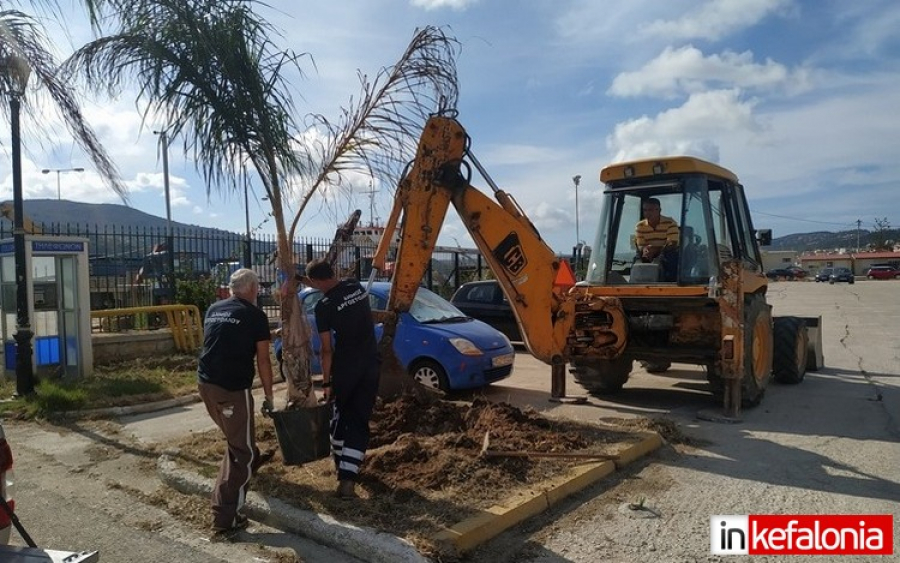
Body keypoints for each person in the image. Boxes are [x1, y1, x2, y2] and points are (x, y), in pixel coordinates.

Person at [197, 268, 275, 539]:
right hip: (232, 389)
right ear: (252, 289)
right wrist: (270, 395)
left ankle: (233, 500)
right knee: (242, 452)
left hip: (205, 385)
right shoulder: (255, 315)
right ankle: (225, 516)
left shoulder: (214, 308)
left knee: (240, 444)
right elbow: (263, 360)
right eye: (259, 289)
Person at [302, 258, 380, 499]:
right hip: (370, 364)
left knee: (339, 414)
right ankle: (348, 473)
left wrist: (326, 382)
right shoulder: (355, 287)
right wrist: (302, 279)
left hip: (346, 367)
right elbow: (330, 285)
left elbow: (327, 349)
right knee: (358, 419)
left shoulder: (323, 307)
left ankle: (343, 473)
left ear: (315, 282)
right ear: (332, 272)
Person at [634, 197, 680, 262]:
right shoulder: (640, 226)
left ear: (659, 210)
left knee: (672, 257)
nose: (647, 213)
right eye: (645, 210)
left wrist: (656, 250)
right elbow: (640, 245)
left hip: (667, 255)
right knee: (637, 262)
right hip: (648, 254)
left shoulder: (670, 223)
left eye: (650, 210)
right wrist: (645, 250)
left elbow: (672, 243)